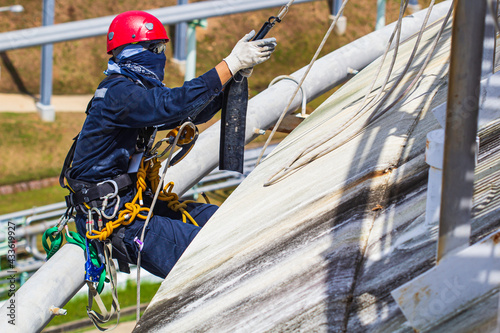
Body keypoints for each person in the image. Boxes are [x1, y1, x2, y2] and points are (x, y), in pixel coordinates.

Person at [61, 10, 277, 278]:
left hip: (132, 203)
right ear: (137, 51)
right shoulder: (119, 94)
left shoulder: (133, 90)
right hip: (112, 215)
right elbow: (171, 106)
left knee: (226, 221)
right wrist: (228, 64)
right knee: (215, 255)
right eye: (158, 48)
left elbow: (189, 113)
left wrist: (232, 78)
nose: (161, 55)